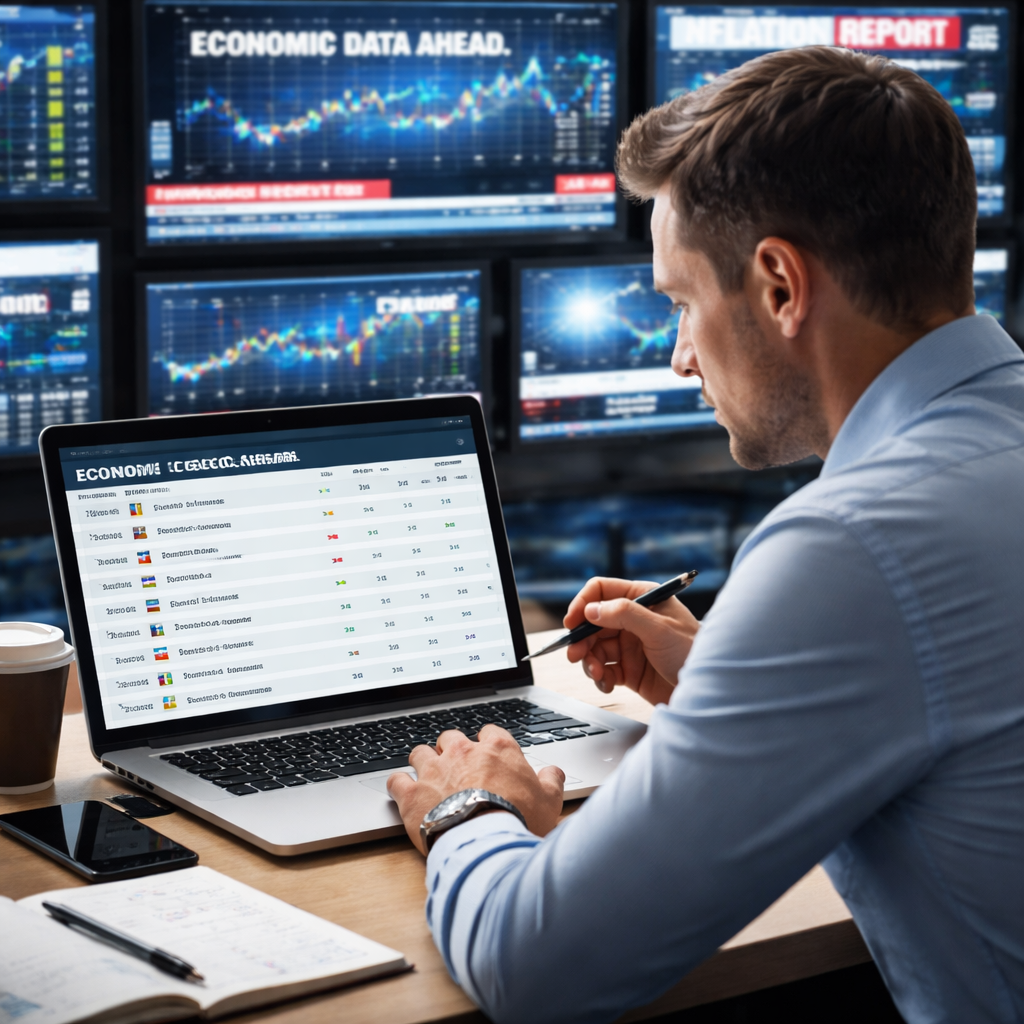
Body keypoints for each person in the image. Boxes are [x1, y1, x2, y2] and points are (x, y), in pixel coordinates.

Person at [387, 45, 1024, 1024]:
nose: (681, 356)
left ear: (777, 284)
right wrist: (730, 671)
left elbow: (540, 969)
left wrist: (466, 810)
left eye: (681, 301)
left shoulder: (853, 546)